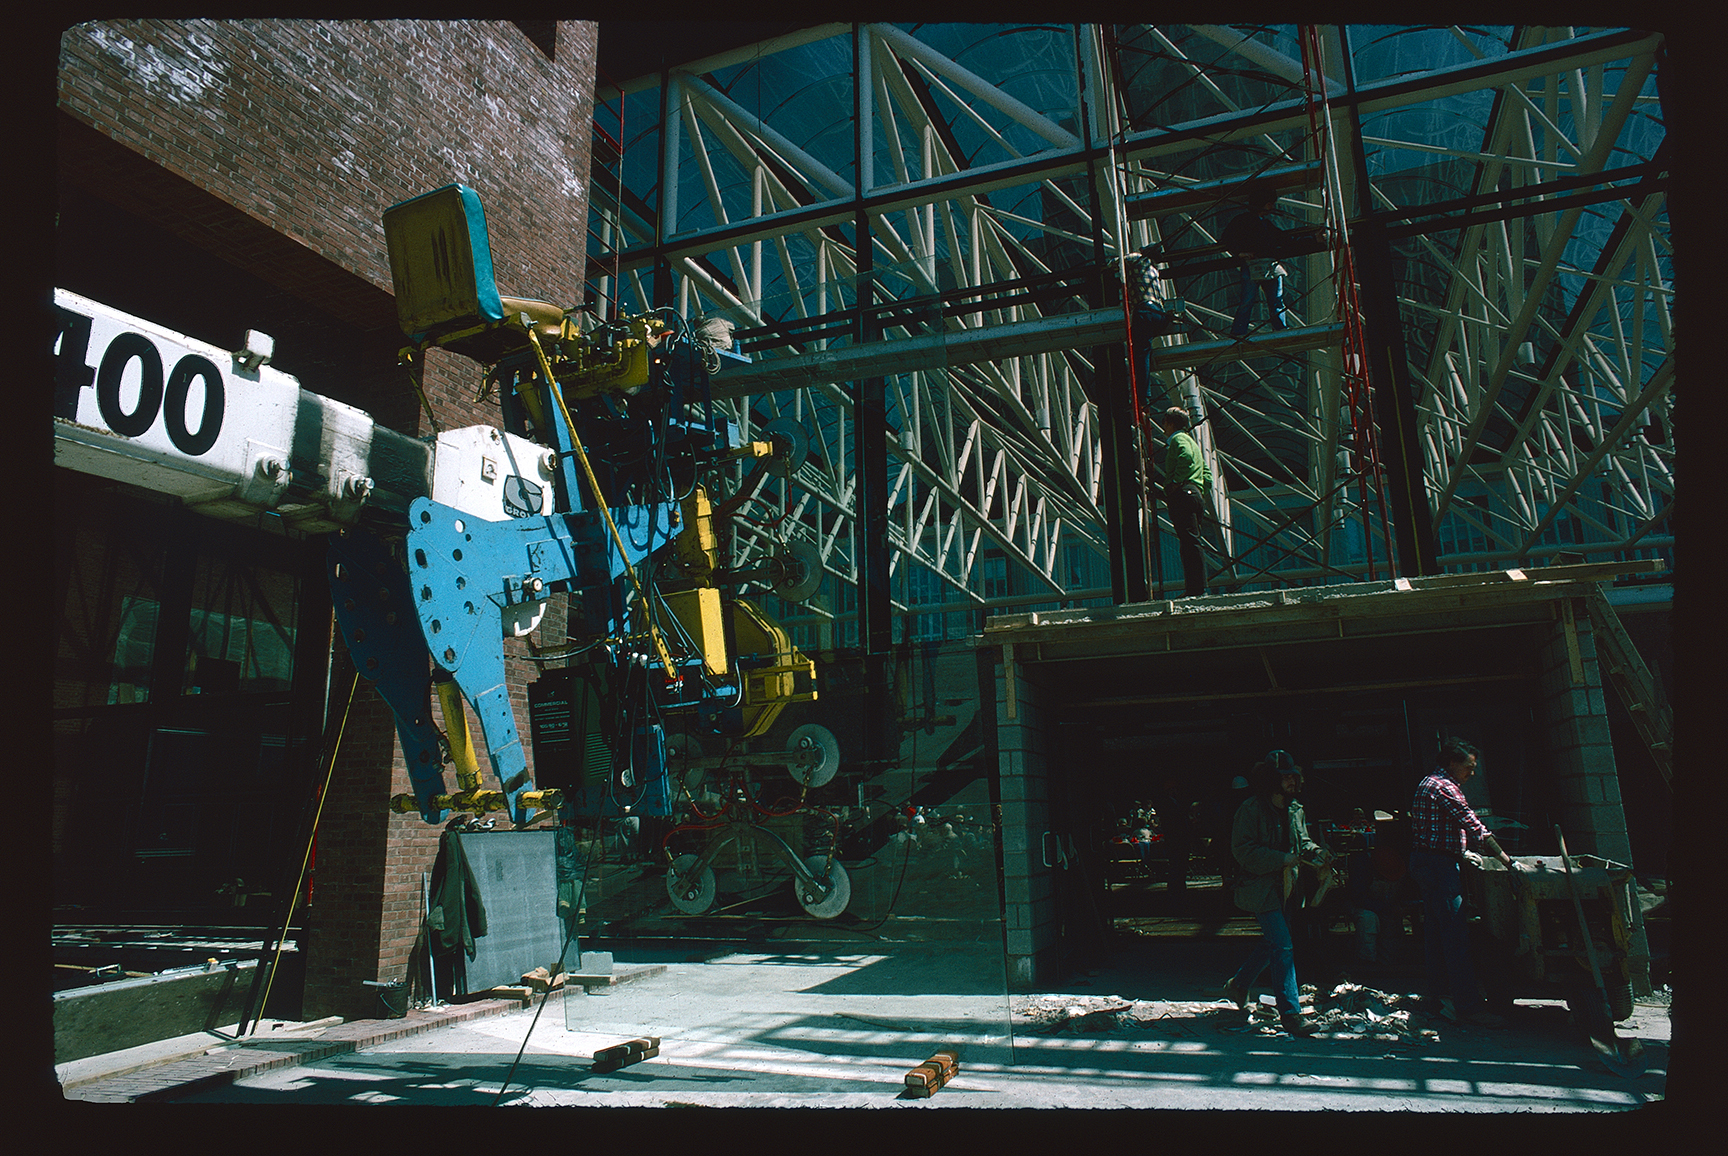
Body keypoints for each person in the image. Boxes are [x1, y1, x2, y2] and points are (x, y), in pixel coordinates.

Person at [1407, 738, 1518, 1026]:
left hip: (1430, 862)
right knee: (1456, 937)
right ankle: (1468, 1007)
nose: (1472, 773)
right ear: (1453, 764)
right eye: (1469, 767)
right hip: (1438, 866)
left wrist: (1461, 852)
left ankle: (1439, 998)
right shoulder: (1444, 787)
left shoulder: (1429, 783)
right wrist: (1508, 861)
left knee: (1436, 936)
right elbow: (1473, 825)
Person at [1220, 750, 1331, 1037]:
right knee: (1283, 946)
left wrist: (1317, 852)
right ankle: (1291, 1015)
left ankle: (1239, 985)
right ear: (1271, 781)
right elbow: (1242, 849)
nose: (1293, 782)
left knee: (1273, 943)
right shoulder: (1250, 809)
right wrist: (1279, 859)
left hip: (1287, 888)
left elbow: (1302, 841)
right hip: (1260, 889)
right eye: (1286, 778)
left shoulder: (1296, 809)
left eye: (1295, 776)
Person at [1219, 182, 1292, 337]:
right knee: (1275, 301)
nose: (1271, 208)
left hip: (1253, 265)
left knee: (1248, 301)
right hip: (1267, 265)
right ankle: (1281, 329)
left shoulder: (1244, 221)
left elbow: (1225, 240)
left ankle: (1239, 332)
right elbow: (1284, 239)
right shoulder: (1264, 225)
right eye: (1269, 204)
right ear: (1264, 204)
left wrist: (1239, 253)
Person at [1156, 407, 1209, 597]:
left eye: (1164, 422)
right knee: (1193, 541)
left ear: (1170, 423)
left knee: (1188, 544)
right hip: (1195, 494)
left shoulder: (1178, 440)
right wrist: (1200, 489)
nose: (1163, 427)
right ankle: (1198, 587)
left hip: (1183, 494)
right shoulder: (1192, 442)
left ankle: (1195, 589)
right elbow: (1207, 473)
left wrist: (1175, 483)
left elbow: (1184, 458)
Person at [1124, 243, 1179, 413]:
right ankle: (1144, 393)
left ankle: (1143, 394)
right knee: (1145, 349)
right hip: (1159, 314)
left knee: (1141, 353)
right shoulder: (1155, 271)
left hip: (1144, 311)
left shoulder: (1137, 259)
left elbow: (1115, 263)